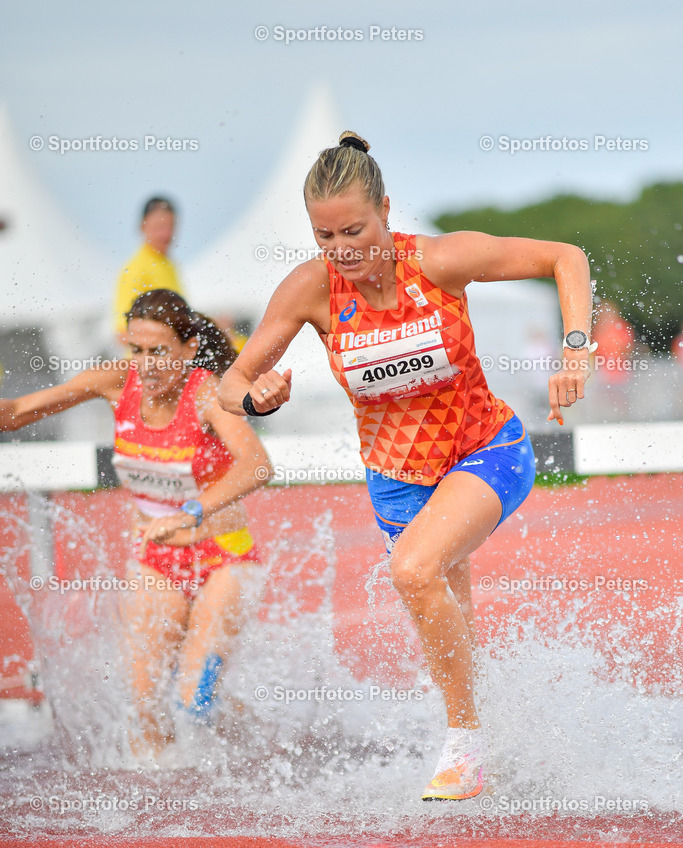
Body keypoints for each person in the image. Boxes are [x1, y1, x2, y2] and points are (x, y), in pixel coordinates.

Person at [217, 131, 594, 802]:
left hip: (485, 450)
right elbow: (232, 381)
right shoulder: (312, 289)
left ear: (386, 210)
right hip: (395, 480)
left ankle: (463, 743)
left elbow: (565, 257)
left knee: (412, 571)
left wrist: (573, 351)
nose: (343, 251)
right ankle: (497, 742)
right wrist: (255, 396)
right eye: (325, 236)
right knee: (448, 616)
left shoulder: (442, 262)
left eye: (355, 231)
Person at [0, 289, 272, 753]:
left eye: (159, 352)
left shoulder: (206, 392)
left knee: (194, 699)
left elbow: (257, 466)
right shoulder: (115, 382)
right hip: (156, 560)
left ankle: (262, 751)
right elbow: (18, 412)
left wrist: (189, 513)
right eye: (137, 351)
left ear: (187, 350)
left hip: (224, 556)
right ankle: (163, 799)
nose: (146, 366)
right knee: (144, 705)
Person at [113, 197, 183, 340]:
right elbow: (123, 334)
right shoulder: (135, 269)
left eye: (170, 226)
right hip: (147, 361)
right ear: (142, 227)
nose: (166, 234)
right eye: (159, 227)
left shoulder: (170, 265)